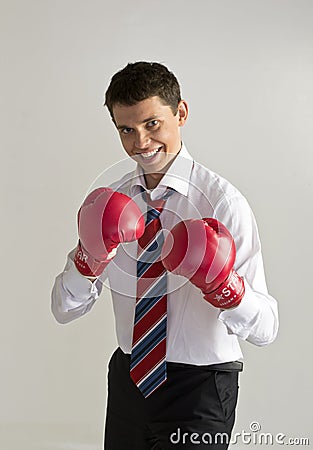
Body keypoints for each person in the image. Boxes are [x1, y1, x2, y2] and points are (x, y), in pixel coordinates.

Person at [51, 61, 279, 449]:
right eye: (127, 129)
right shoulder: (112, 202)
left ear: (181, 113)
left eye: (152, 123)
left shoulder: (223, 202)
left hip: (201, 388)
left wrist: (225, 287)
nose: (140, 141)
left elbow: (266, 329)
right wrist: (86, 261)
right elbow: (63, 309)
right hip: (129, 381)